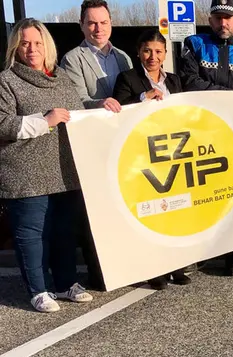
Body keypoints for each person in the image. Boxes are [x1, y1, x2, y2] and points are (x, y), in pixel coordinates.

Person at [0, 19, 94, 312]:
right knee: (32, 233)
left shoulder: (60, 78)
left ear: (47, 46)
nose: (32, 49)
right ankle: (38, 290)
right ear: (16, 46)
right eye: (25, 43)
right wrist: (44, 121)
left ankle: (66, 283)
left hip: (64, 169)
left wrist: (106, 105)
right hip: (25, 172)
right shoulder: (7, 80)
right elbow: (3, 124)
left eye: (38, 43)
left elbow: (76, 111)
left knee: (64, 231)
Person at [178, 0, 233, 277]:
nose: (223, 23)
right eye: (217, 17)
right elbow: (189, 83)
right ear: (210, 19)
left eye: (228, 18)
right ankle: (198, 254)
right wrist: (229, 96)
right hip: (200, 136)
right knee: (200, 196)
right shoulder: (194, 44)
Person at [61, 0, 133, 291]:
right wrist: (100, 104)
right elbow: (75, 100)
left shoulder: (124, 57)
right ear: (81, 25)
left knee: (123, 206)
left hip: (124, 145)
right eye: (91, 23)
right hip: (93, 146)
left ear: (111, 23)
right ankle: (99, 271)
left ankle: (127, 266)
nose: (97, 28)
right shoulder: (71, 59)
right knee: (95, 212)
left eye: (103, 22)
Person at [112, 30, 192, 290]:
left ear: (166, 54)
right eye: (147, 51)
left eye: (158, 51)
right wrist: (141, 99)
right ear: (139, 52)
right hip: (143, 156)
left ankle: (176, 266)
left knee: (176, 211)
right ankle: (155, 270)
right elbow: (117, 114)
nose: (152, 57)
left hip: (174, 155)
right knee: (152, 213)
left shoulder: (176, 81)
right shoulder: (127, 79)